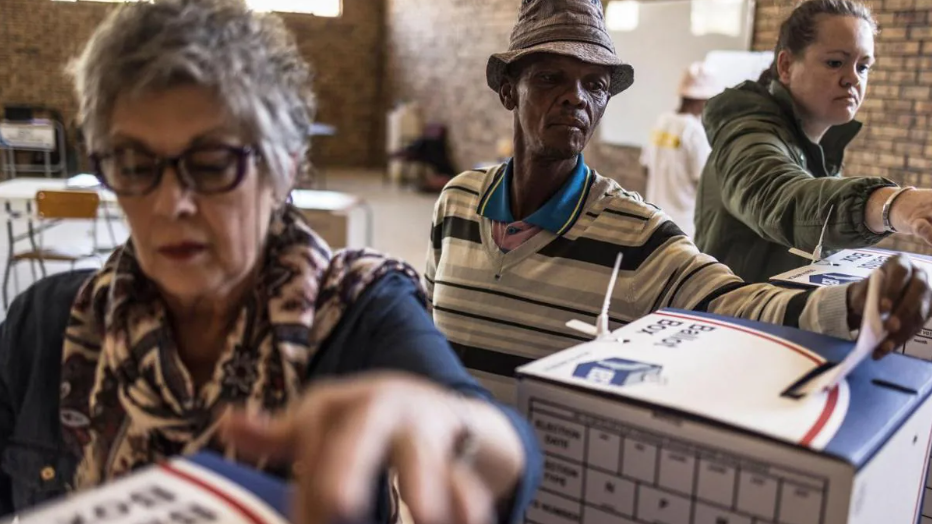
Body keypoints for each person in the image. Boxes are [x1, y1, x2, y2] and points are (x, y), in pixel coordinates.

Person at [0, 2, 541, 523]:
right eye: (136, 164)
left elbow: (496, 444)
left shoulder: (357, 313)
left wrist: (452, 426)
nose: (171, 203)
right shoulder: (50, 327)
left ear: (285, 170)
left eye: (212, 164)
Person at [425, 0, 932, 404]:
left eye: (594, 85)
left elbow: (736, 304)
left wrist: (848, 306)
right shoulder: (456, 202)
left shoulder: (638, 238)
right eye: (550, 78)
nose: (576, 98)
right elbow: (427, 332)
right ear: (509, 92)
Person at [694, 0, 932, 283]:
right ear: (785, 66)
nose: (852, 79)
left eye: (863, 66)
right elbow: (777, 195)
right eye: (835, 63)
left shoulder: (817, 143)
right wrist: (894, 204)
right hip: (731, 319)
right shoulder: (747, 130)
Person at [640, 62, 722, 237]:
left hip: (653, 220)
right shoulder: (695, 132)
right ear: (703, 99)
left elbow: (645, 168)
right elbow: (705, 185)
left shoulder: (662, 121)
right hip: (683, 227)